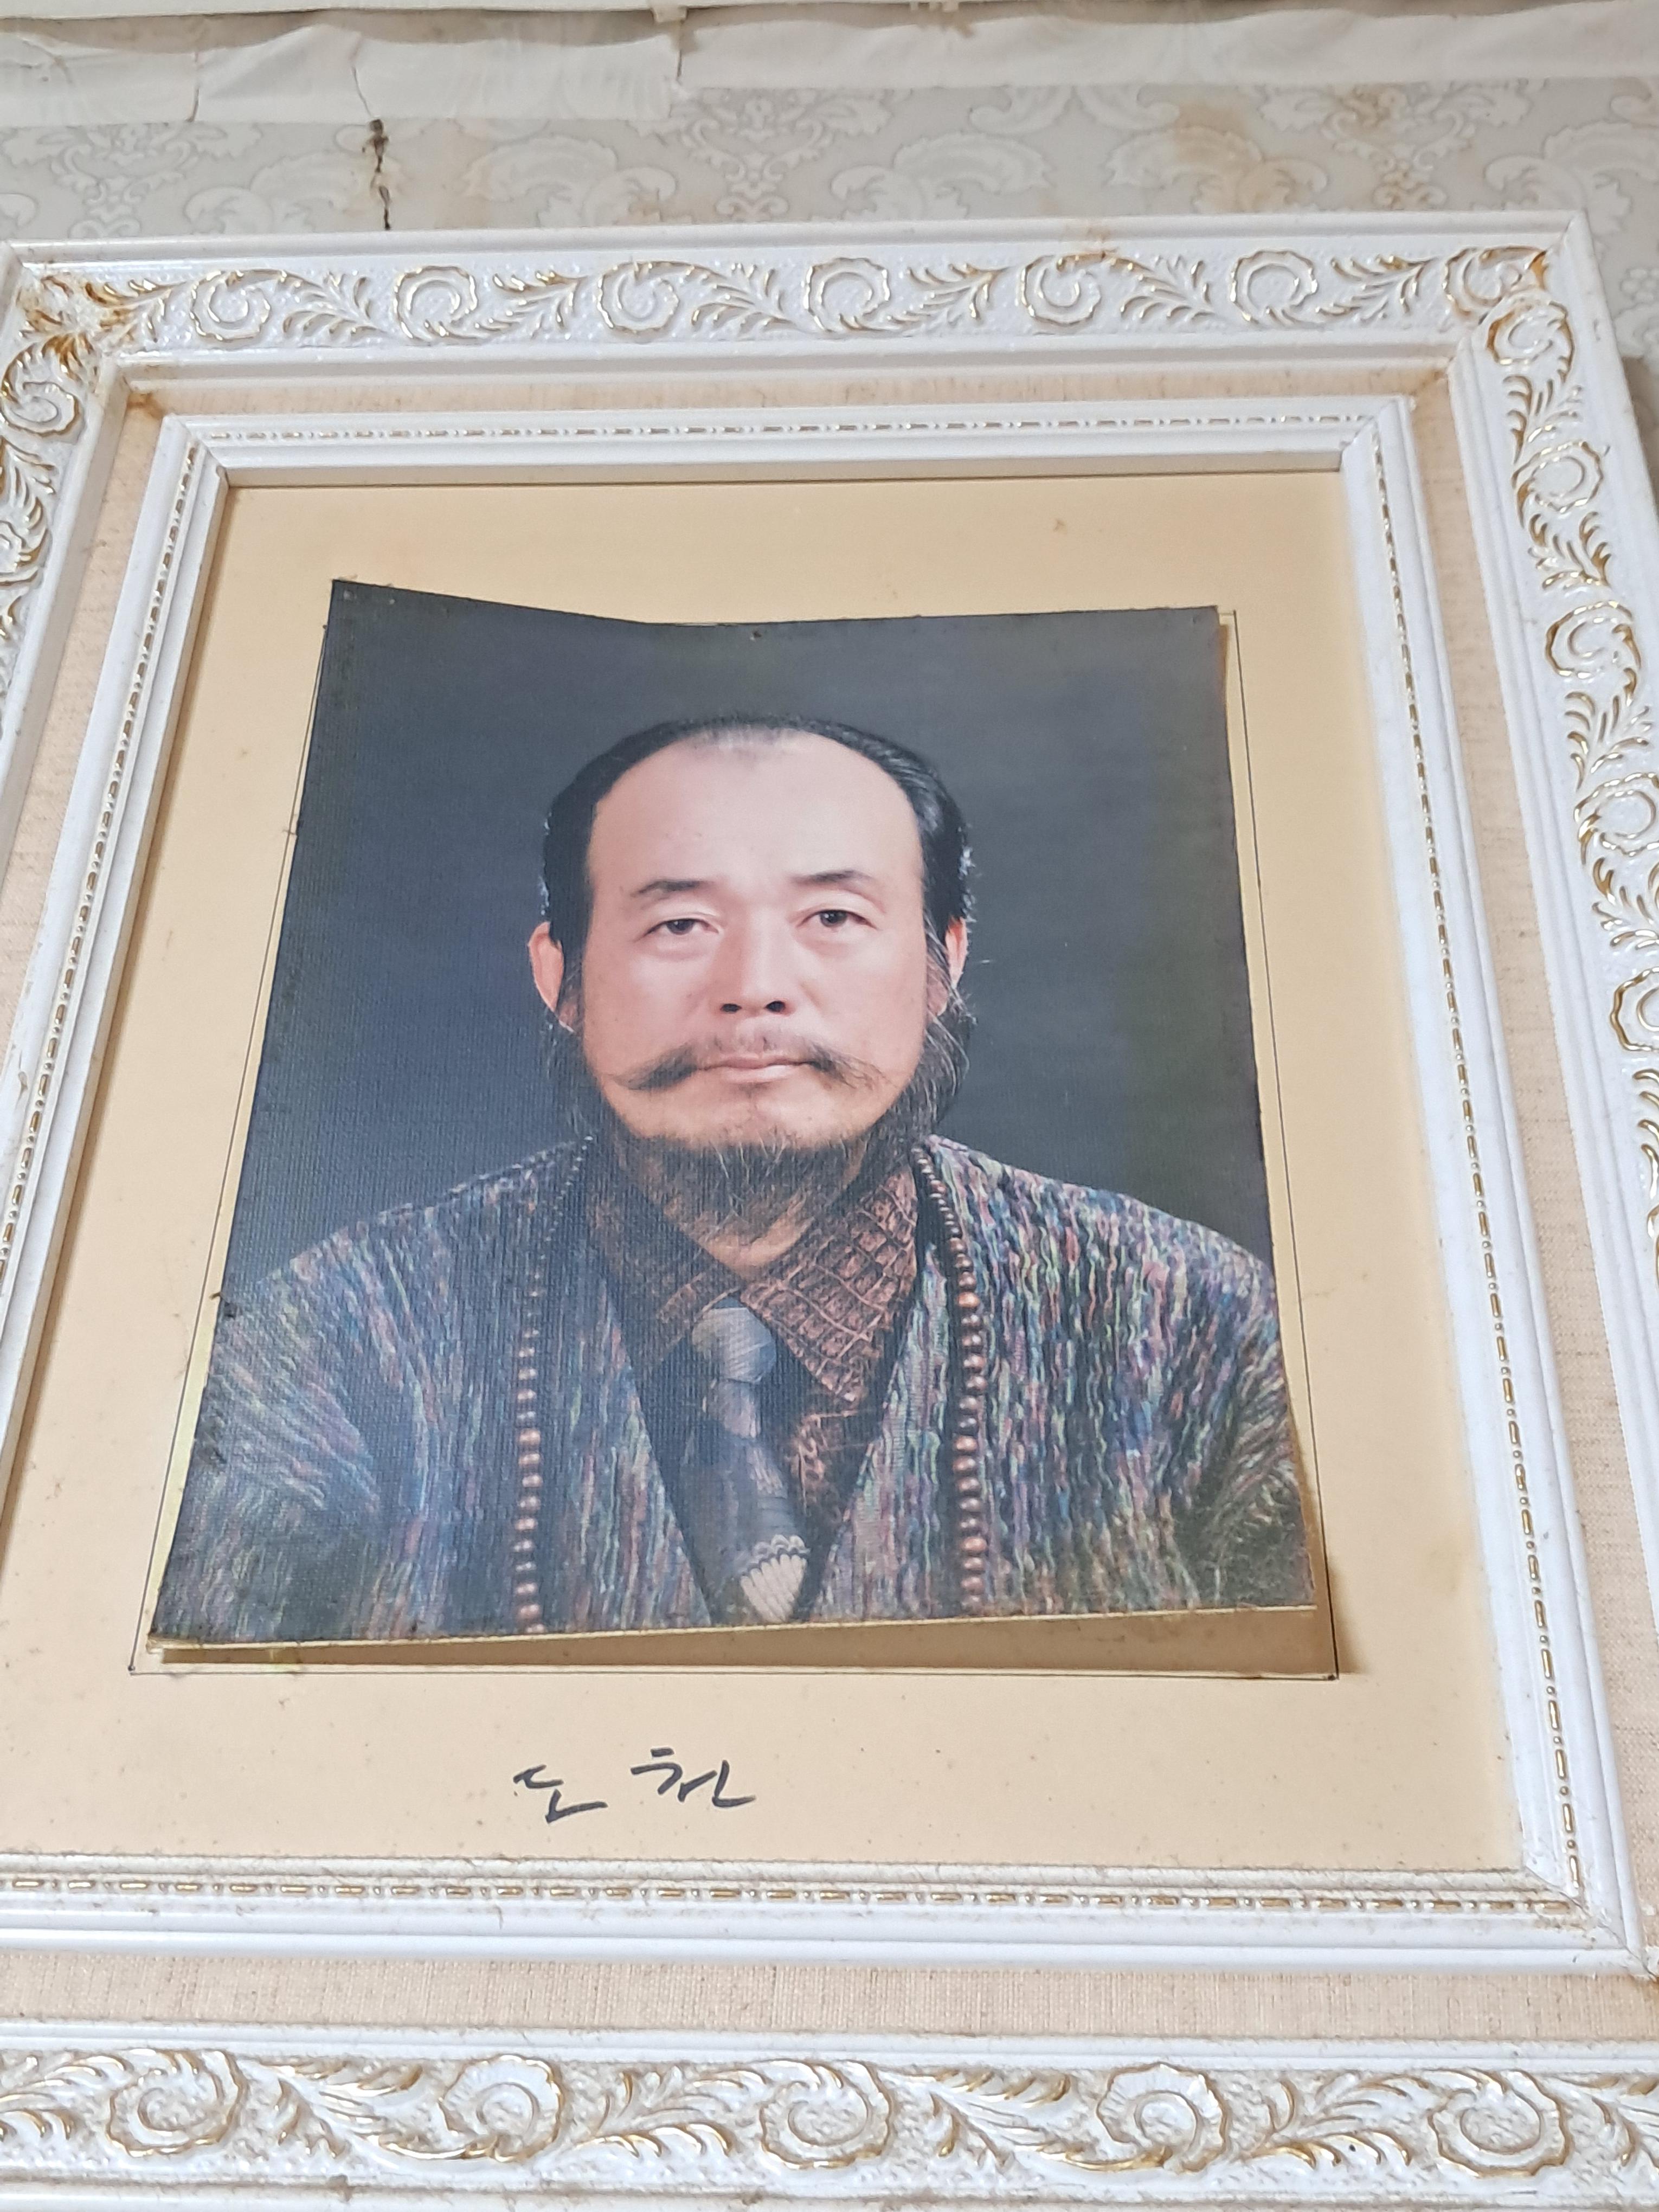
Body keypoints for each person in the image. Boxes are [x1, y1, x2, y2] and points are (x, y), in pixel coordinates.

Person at [154, 716, 1313, 1645]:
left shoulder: (1194, 1330)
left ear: (942, 964)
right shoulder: (330, 1348)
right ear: (560, 977)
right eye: (680, 924)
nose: (755, 985)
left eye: (833, 916)